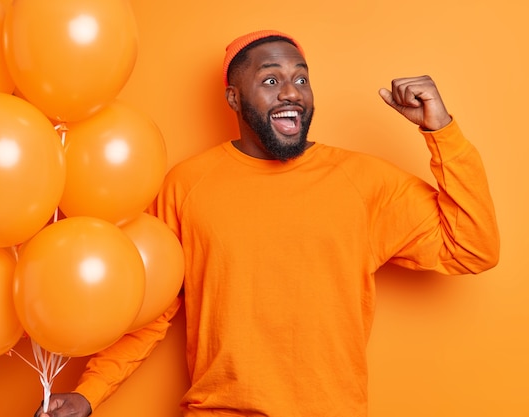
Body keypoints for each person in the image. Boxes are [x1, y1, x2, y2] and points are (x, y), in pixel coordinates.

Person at [35, 29, 499, 417]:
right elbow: (150, 310)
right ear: (234, 97)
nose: (292, 91)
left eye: (301, 78)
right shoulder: (187, 184)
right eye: (271, 79)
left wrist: (441, 131)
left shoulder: (365, 182)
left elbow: (473, 248)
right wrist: (89, 393)